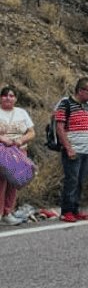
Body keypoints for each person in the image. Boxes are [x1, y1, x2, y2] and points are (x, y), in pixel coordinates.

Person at [54, 78, 88, 222]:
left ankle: (75, 209)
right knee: (72, 180)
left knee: (81, 180)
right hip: (73, 150)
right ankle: (66, 211)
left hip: (86, 150)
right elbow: (60, 127)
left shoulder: (87, 106)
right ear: (80, 90)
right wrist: (68, 148)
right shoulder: (66, 104)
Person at [0, 86, 35, 225]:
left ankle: (8, 212)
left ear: (15, 98)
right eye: (5, 95)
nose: (8, 98)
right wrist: (3, 139)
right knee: (0, 183)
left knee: (14, 183)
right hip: (2, 152)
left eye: (11, 95)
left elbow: (32, 132)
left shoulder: (22, 113)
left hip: (19, 152)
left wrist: (21, 140)